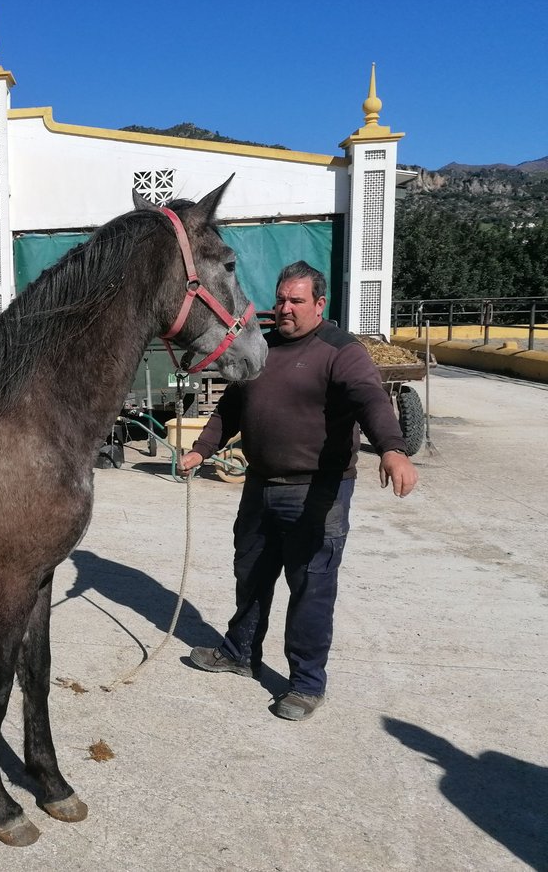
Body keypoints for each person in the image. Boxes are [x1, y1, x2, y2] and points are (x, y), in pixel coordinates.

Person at [178, 261, 418, 721]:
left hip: (316, 493)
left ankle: (307, 684)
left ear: (319, 303)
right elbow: (231, 405)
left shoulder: (340, 350)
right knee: (250, 575)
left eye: (296, 301)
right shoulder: (262, 349)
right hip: (259, 486)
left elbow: (370, 398)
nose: (284, 308)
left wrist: (392, 448)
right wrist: (202, 449)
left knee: (310, 588)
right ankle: (240, 654)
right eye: (280, 299)